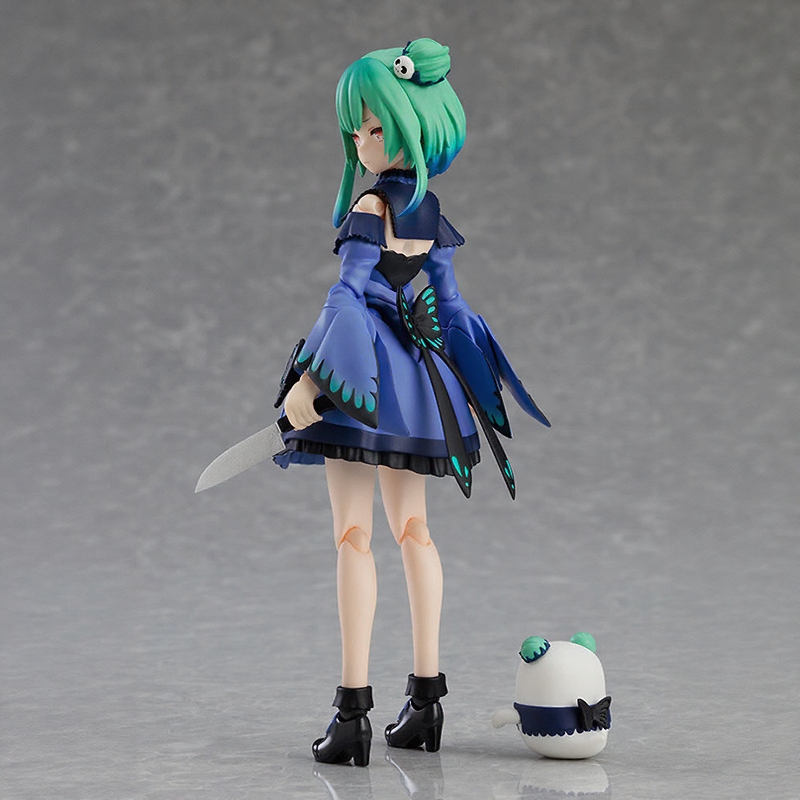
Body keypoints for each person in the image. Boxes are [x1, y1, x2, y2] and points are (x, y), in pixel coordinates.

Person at [274, 38, 549, 766]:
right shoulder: (429, 209)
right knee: (415, 533)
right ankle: (427, 704)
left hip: (361, 378)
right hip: (418, 380)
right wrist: (460, 376)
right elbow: (450, 306)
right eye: (357, 130)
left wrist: (311, 381)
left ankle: (351, 715)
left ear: (412, 126)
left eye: (374, 127)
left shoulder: (370, 204)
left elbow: (344, 299)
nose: (363, 142)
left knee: (353, 537)